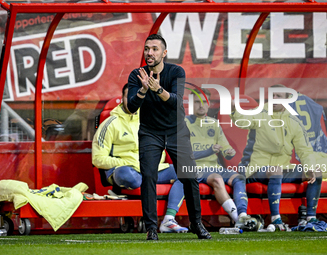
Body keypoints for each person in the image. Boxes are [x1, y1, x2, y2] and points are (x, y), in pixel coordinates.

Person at [127, 34, 212, 240]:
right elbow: (130, 108)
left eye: (155, 49)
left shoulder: (176, 72)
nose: (149, 53)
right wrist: (143, 91)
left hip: (176, 131)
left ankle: (196, 223)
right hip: (150, 133)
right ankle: (151, 228)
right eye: (147, 48)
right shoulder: (137, 75)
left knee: (189, 177)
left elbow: (175, 102)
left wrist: (158, 90)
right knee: (148, 177)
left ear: (164, 53)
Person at [92, 84, 188, 233]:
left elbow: (161, 149)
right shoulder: (110, 124)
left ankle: (168, 219)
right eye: (128, 96)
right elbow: (98, 159)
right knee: (129, 176)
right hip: (125, 170)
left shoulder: (151, 119)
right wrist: (126, 162)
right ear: (122, 99)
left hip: (151, 169)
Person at [231, 84, 322, 231]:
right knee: (276, 170)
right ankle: (275, 218)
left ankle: (311, 218)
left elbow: (305, 150)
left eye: (278, 96)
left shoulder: (294, 121)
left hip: (283, 170)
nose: (274, 99)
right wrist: (234, 110)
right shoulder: (260, 112)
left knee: (316, 172)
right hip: (256, 169)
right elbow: (242, 120)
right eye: (272, 96)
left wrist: (309, 167)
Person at [185, 88, 261, 230]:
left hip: (215, 168)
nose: (201, 105)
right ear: (191, 104)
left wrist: (229, 152)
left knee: (239, 177)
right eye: (197, 102)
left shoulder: (214, 123)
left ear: (208, 104)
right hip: (196, 169)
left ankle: (243, 214)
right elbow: (184, 155)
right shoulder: (184, 123)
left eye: (204, 101)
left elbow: (225, 148)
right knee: (217, 179)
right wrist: (209, 150)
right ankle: (238, 219)